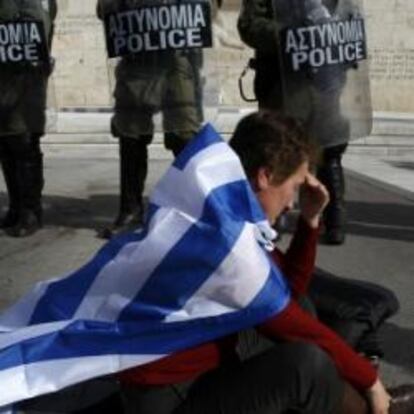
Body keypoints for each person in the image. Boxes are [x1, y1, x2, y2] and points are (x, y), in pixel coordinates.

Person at [115, 111, 405, 414]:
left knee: (302, 308)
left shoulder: (222, 209)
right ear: (265, 176)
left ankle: (362, 404)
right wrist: (370, 381)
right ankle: (379, 410)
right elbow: (287, 319)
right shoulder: (224, 242)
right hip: (169, 400)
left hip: (195, 373)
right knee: (305, 366)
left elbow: (288, 294)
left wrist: (310, 220)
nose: (292, 201)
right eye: (293, 187)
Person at [237, 0, 365, 245]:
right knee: (277, 149)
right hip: (282, 85)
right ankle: (274, 217)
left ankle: (335, 216)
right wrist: (288, 33)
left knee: (331, 147)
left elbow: (349, 16)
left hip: (323, 80)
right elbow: (250, 25)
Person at [96, 0, 212, 238]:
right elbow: (104, 10)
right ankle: (130, 210)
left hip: (176, 60)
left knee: (184, 137)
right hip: (137, 58)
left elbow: (204, 10)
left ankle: (193, 209)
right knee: (131, 136)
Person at [0, 0, 57, 237]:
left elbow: (39, 31)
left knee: (23, 142)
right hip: (3, 80)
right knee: (4, 144)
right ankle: (15, 207)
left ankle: (31, 211)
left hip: (26, 80)